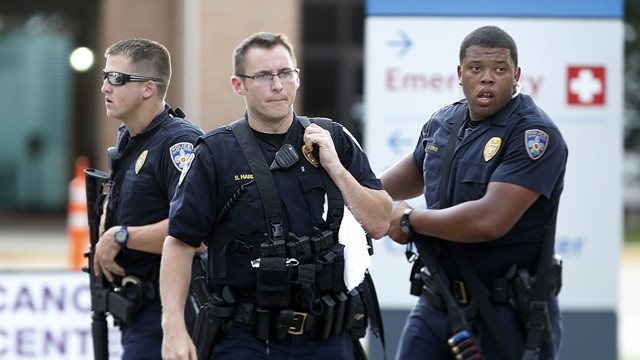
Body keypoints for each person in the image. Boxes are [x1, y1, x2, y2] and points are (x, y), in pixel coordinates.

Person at [159, 31, 391, 360]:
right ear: (238, 85)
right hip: (247, 338)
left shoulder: (333, 138)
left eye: (285, 73)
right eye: (264, 76)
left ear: (297, 78)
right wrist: (173, 327)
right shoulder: (214, 153)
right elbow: (179, 242)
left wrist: (336, 169)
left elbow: (380, 222)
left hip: (326, 336)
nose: (277, 85)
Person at [380, 25, 568, 360]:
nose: (487, 78)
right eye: (476, 68)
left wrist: (410, 220)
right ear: (460, 73)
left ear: (516, 75)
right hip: (437, 302)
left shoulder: (534, 134)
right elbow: (404, 177)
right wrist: (350, 189)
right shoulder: (444, 122)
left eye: (499, 69)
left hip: (506, 310)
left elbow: (488, 221)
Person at [94, 38, 203, 359]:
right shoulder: (131, 138)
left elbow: (198, 233)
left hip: (167, 309)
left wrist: (122, 236)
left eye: (116, 78)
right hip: (135, 306)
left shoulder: (179, 143)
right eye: (105, 76)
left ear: (148, 89)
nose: (104, 87)